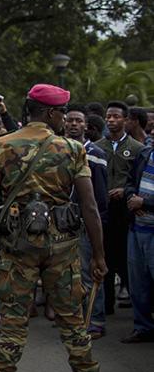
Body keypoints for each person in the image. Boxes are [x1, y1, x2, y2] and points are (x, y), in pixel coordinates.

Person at [0, 84, 108, 372]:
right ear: (50, 113)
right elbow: (88, 205)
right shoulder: (72, 148)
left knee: (13, 322)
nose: (65, 117)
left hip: (18, 247)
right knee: (73, 322)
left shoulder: (3, 144)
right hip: (61, 247)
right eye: (62, 112)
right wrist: (99, 255)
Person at [95, 101, 143, 314]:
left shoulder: (137, 149)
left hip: (125, 210)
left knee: (125, 257)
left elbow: (138, 179)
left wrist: (125, 190)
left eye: (116, 116)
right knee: (102, 254)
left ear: (125, 119)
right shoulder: (97, 147)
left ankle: (133, 302)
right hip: (102, 210)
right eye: (109, 116)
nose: (111, 120)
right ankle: (106, 305)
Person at [64, 108, 109, 339]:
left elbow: (100, 199)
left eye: (78, 121)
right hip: (63, 224)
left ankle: (95, 320)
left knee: (89, 271)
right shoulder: (58, 150)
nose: (73, 124)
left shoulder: (94, 153)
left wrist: (98, 228)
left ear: (86, 126)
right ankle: (75, 319)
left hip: (84, 223)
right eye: (69, 120)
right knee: (69, 275)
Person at [122, 141, 154, 343]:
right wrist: (131, 197)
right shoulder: (145, 153)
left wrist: (146, 203)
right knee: (138, 284)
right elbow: (129, 181)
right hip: (137, 228)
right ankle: (143, 327)